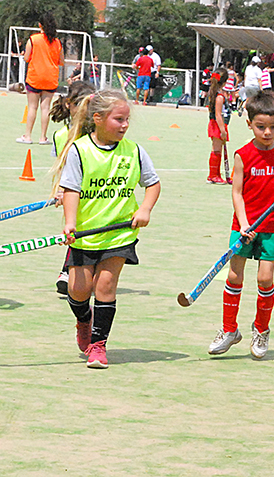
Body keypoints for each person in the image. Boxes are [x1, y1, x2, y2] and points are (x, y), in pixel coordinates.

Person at [49, 89, 161, 368]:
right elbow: (71, 188)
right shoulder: (80, 150)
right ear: (97, 118)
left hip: (119, 233)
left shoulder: (134, 151)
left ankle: (98, 346)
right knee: (78, 290)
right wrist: (70, 223)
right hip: (85, 234)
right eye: (118, 119)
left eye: (126, 120)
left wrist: (145, 208)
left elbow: (153, 183)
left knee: (106, 287)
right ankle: (84, 320)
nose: (124, 125)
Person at [207, 91, 274, 359]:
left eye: (273, 127)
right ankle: (229, 330)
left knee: (265, 278)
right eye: (261, 127)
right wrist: (244, 224)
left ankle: (261, 330)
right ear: (250, 124)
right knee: (234, 276)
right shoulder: (243, 155)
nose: (267, 132)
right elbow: (237, 192)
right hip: (244, 225)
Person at [48, 81, 96, 295]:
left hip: (97, 191)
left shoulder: (100, 132)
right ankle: (69, 271)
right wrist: (61, 190)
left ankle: (69, 272)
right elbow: (62, 167)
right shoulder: (61, 135)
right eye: (82, 106)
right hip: (75, 192)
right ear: (69, 105)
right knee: (75, 230)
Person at [17, 12, 64, 146]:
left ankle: (27, 136)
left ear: (40, 25)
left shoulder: (33, 39)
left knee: (32, 107)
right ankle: (43, 137)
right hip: (50, 78)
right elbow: (61, 61)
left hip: (35, 77)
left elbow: (26, 58)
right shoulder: (57, 42)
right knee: (46, 108)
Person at [206, 67, 231, 185]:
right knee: (216, 150)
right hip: (218, 125)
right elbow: (218, 115)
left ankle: (215, 174)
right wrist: (223, 130)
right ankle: (213, 175)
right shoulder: (219, 97)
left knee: (217, 149)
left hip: (218, 125)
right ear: (225, 82)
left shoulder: (215, 93)